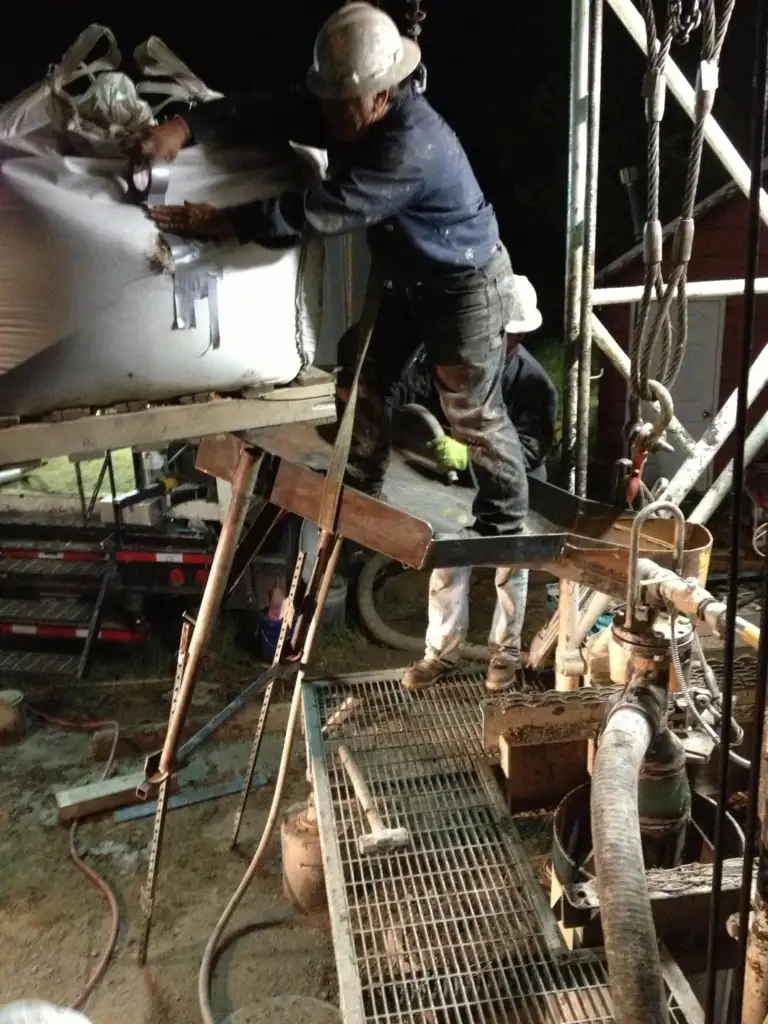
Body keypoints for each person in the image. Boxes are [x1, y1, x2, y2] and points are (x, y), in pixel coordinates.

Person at [137, 3, 530, 688]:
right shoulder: (346, 105)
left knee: (468, 409)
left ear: (382, 96)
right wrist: (185, 126)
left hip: (464, 280)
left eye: (344, 105)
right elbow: (269, 109)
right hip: (411, 272)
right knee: (360, 370)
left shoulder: (409, 145)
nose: (332, 117)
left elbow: (317, 212)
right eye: (330, 101)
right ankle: (367, 472)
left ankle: (504, 515)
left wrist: (220, 224)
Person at [375, 275, 558, 692]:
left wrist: (468, 455)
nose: (500, 343)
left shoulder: (534, 384)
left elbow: (528, 452)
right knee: (449, 563)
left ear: (522, 333)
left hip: (518, 488)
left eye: (510, 336)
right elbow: (411, 393)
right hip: (457, 487)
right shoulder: (455, 366)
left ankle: (505, 655)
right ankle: (441, 654)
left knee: (511, 570)